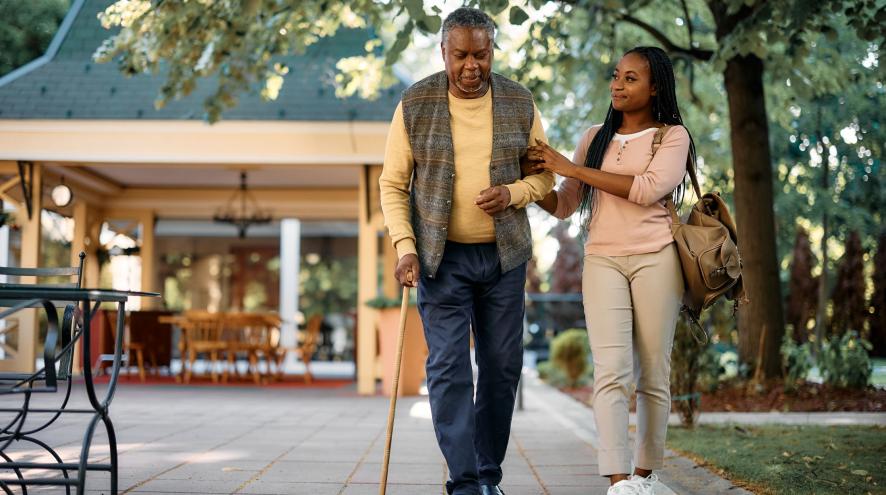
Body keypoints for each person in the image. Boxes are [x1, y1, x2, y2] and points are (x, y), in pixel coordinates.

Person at [378, 8, 553, 495]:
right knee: (449, 367)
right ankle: (465, 481)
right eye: (461, 55)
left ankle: (488, 473)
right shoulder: (416, 103)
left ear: (492, 50)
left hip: (504, 257)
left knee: (501, 366)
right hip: (440, 258)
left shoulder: (520, 101)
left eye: (481, 54)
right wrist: (405, 247)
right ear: (444, 53)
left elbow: (545, 175)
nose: (472, 65)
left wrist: (513, 194)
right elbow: (393, 185)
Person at [526, 46, 693, 495]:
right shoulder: (593, 137)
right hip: (602, 260)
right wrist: (532, 181)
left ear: (655, 86)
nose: (617, 85)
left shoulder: (672, 137)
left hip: (657, 258)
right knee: (612, 371)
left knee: (654, 372)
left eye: (631, 78)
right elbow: (564, 205)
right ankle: (619, 482)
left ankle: (646, 476)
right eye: (616, 76)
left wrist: (571, 166)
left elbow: (646, 190)